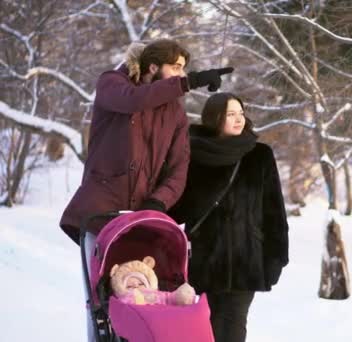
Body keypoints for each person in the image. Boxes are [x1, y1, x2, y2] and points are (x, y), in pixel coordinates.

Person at [59, 39, 232, 341]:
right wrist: (189, 82)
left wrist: (158, 201)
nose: (181, 74)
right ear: (153, 67)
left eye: (184, 70)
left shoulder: (175, 115)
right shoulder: (113, 84)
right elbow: (134, 100)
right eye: (176, 68)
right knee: (102, 304)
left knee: (148, 300)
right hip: (100, 212)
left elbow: (179, 169)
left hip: (143, 221)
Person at [170, 93, 289, 342]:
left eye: (241, 113)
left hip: (244, 262)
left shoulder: (259, 156)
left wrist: (277, 258)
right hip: (204, 262)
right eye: (230, 114)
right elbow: (179, 209)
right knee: (205, 330)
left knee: (233, 328)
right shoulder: (193, 156)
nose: (239, 119)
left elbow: (274, 212)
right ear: (214, 118)